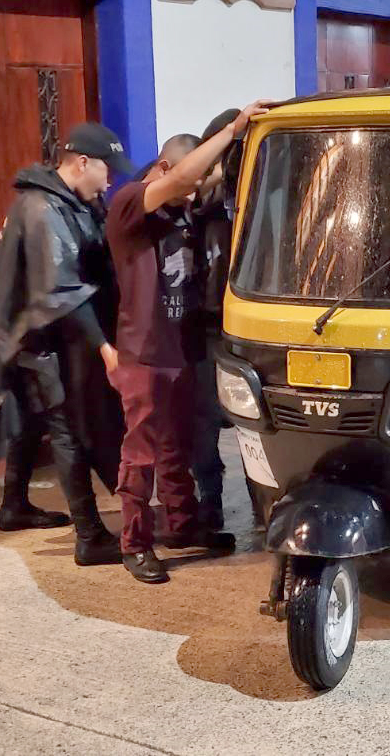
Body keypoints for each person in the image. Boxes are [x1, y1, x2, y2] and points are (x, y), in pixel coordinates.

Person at [106, 100, 271, 584]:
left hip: (181, 347)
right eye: (186, 180)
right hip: (144, 351)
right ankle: (134, 544)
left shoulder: (184, 211)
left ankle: (182, 526)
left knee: (177, 446)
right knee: (140, 452)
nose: (194, 190)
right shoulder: (131, 202)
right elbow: (182, 179)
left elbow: (208, 182)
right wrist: (231, 129)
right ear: (163, 167)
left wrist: (246, 138)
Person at [0, 122, 134, 568]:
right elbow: (60, 290)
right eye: (107, 171)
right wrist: (105, 347)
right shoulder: (42, 208)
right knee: (67, 428)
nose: (110, 181)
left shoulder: (63, 200)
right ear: (82, 163)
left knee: (29, 422)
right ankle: (90, 535)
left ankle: (14, 506)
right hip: (36, 336)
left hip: (32, 333)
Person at [189, 108, 242, 532]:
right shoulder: (198, 209)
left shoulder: (263, 204)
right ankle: (211, 497)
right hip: (207, 325)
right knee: (204, 418)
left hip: (250, 327)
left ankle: (267, 498)